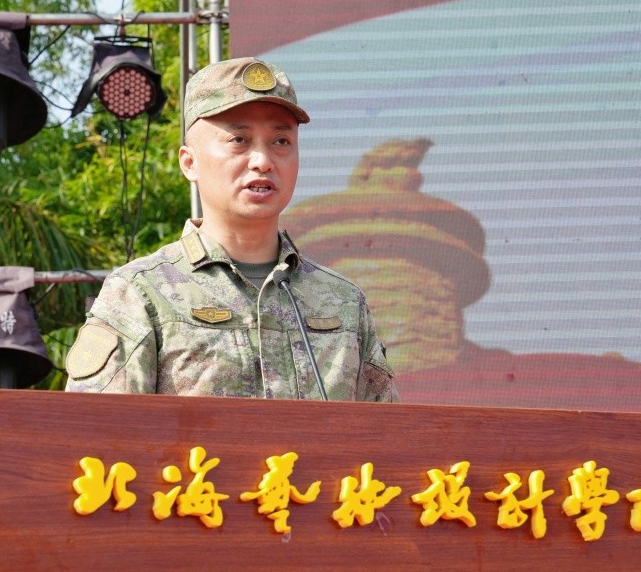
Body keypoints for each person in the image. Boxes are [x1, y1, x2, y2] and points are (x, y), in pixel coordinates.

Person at [64, 57, 397, 402]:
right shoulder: (141, 293)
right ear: (189, 163)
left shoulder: (344, 301)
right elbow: (97, 428)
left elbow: (388, 429)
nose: (263, 161)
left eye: (281, 142)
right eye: (239, 140)